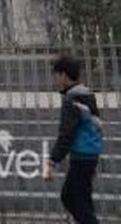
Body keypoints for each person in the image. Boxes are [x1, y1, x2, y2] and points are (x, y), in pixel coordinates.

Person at [44, 55, 103, 224]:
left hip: (82, 156)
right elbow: (97, 125)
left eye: (57, 76)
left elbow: (66, 133)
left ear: (63, 75)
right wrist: (94, 160)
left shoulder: (72, 99)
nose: (56, 80)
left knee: (76, 200)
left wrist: (53, 161)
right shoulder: (87, 94)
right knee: (74, 198)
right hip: (89, 155)